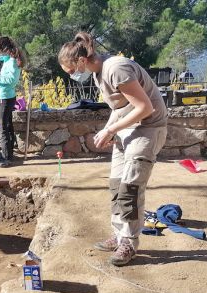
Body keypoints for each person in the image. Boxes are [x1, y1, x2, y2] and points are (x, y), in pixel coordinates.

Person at [58, 32, 168, 266]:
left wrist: (110, 131)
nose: (72, 76)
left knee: (130, 187)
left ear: (81, 61)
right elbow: (120, 108)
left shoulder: (115, 68)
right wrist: (109, 129)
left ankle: (129, 241)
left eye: (71, 71)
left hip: (149, 128)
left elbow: (144, 107)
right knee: (117, 185)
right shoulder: (99, 73)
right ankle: (119, 234)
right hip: (129, 129)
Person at [0, 36, 26, 168]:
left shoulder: (11, 62)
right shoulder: (9, 60)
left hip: (5, 99)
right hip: (6, 97)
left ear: (4, 49)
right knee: (8, 126)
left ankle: (6, 158)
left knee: (2, 127)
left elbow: (11, 80)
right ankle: (8, 154)